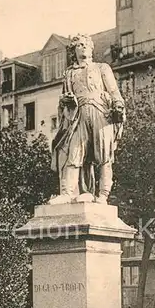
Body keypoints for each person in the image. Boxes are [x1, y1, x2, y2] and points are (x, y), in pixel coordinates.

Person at [49, 33, 125, 205]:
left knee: (104, 155)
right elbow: (64, 97)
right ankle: (68, 193)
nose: (82, 47)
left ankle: (103, 195)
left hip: (101, 112)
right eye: (78, 45)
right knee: (73, 153)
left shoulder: (102, 68)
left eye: (85, 44)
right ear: (73, 51)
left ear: (91, 48)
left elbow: (114, 92)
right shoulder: (69, 73)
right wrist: (65, 101)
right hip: (78, 114)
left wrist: (118, 105)